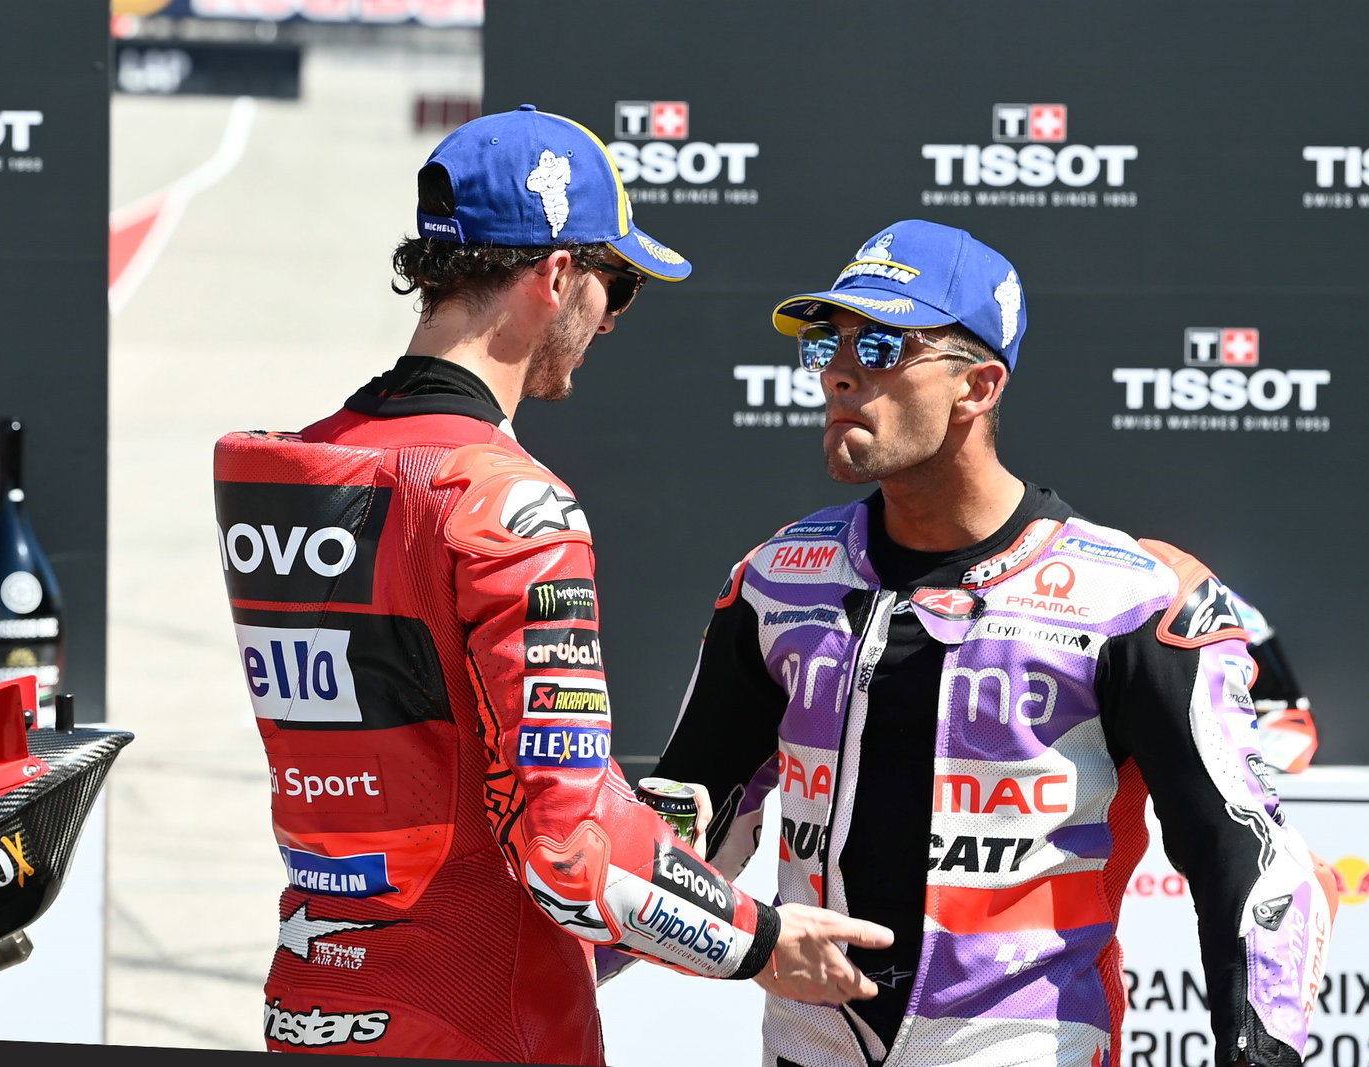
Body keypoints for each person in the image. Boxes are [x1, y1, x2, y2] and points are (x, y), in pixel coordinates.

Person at [210, 105, 892, 1063]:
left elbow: (430, 749)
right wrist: (761, 940)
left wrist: (631, 806)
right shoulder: (507, 500)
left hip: (315, 1005)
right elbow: (566, 848)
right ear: (557, 273)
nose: (612, 317)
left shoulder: (282, 473)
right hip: (481, 1019)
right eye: (616, 286)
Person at [647, 219, 1340, 1067]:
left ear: (978, 385)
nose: (837, 369)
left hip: (1021, 1043)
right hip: (809, 1044)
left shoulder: (1131, 596)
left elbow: (1249, 858)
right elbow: (678, 832)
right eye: (830, 342)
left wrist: (1258, 1053)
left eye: (882, 345)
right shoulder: (775, 580)